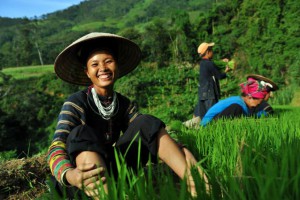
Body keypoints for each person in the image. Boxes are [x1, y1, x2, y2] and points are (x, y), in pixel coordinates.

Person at [47, 32, 209, 199]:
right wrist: (70, 175)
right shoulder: (76, 102)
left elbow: (149, 132)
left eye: (108, 61)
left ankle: (198, 187)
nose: (102, 68)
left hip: (113, 172)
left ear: (117, 66)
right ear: (87, 72)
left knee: (146, 121)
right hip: (83, 181)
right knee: (81, 133)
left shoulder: (123, 104)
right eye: (94, 64)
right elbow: (56, 148)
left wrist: (181, 149)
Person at [200, 76, 269, 126]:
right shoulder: (237, 105)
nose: (258, 104)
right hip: (208, 125)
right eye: (258, 102)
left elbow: (251, 116)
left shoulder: (244, 103)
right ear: (250, 97)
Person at [194, 42, 231, 120]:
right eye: (211, 50)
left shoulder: (202, 63)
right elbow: (219, 76)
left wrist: (222, 61)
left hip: (202, 93)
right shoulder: (210, 64)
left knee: (204, 116)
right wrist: (226, 71)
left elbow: (212, 64)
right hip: (210, 94)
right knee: (213, 116)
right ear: (207, 52)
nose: (212, 52)